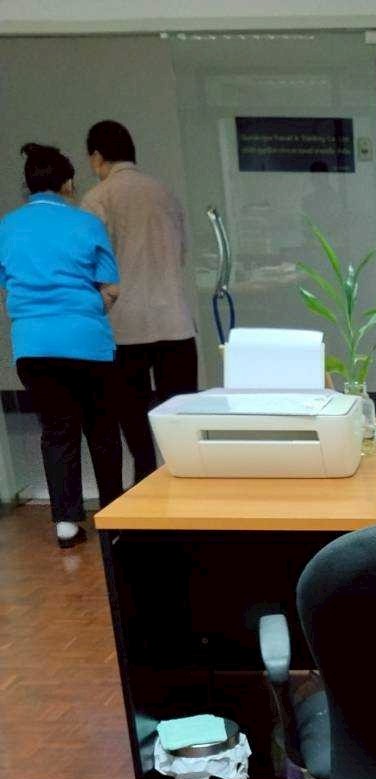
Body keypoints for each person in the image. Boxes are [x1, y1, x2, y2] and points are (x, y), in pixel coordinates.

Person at [0, 143, 123, 548]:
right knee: (101, 429)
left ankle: (66, 524)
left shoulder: (6, 228)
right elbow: (111, 287)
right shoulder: (87, 224)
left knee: (57, 430)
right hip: (87, 343)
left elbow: (7, 284)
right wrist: (89, 308)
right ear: (68, 183)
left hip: (33, 347)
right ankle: (112, 516)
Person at [83, 119, 197, 483]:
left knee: (132, 418)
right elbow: (181, 254)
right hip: (174, 321)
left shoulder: (97, 199)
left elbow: (91, 265)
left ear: (97, 157)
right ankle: (181, 482)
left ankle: (146, 481)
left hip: (125, 326)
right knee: (180, 417)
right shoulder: (165, 193)